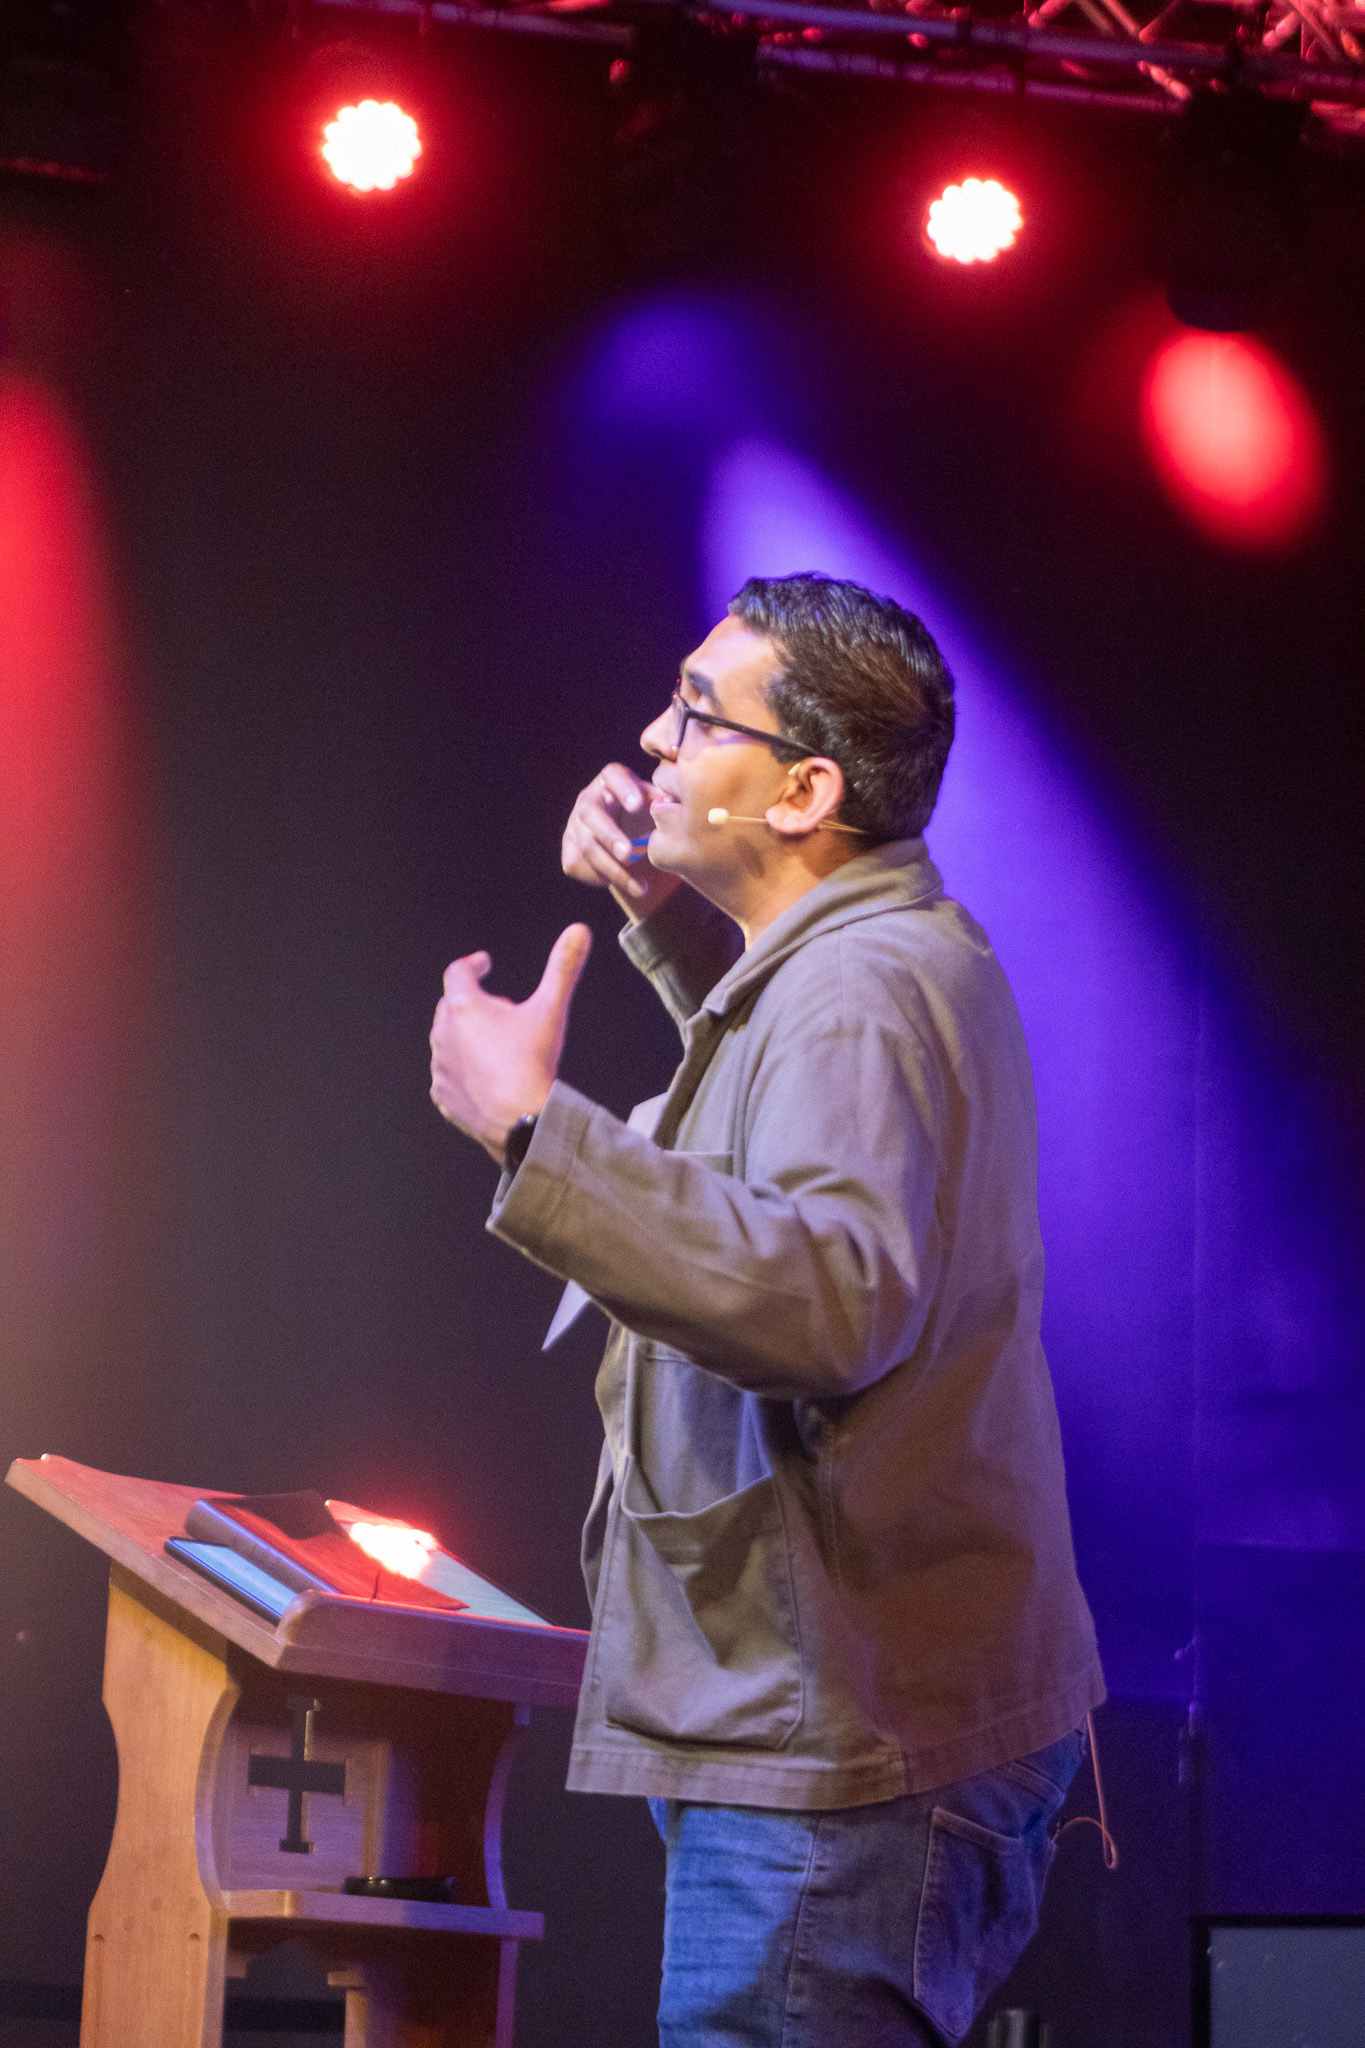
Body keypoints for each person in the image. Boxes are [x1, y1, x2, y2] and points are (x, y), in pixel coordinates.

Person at [428, 574, 1104, 2047]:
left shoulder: (865, 986)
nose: (652, 741)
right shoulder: (865, 964)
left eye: (694, 712)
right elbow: (783, 1129)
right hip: (842, 1721)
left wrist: (533, 1130)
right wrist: (667, 918)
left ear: (803, 791)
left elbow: (823, 1300)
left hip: (844, 1736)